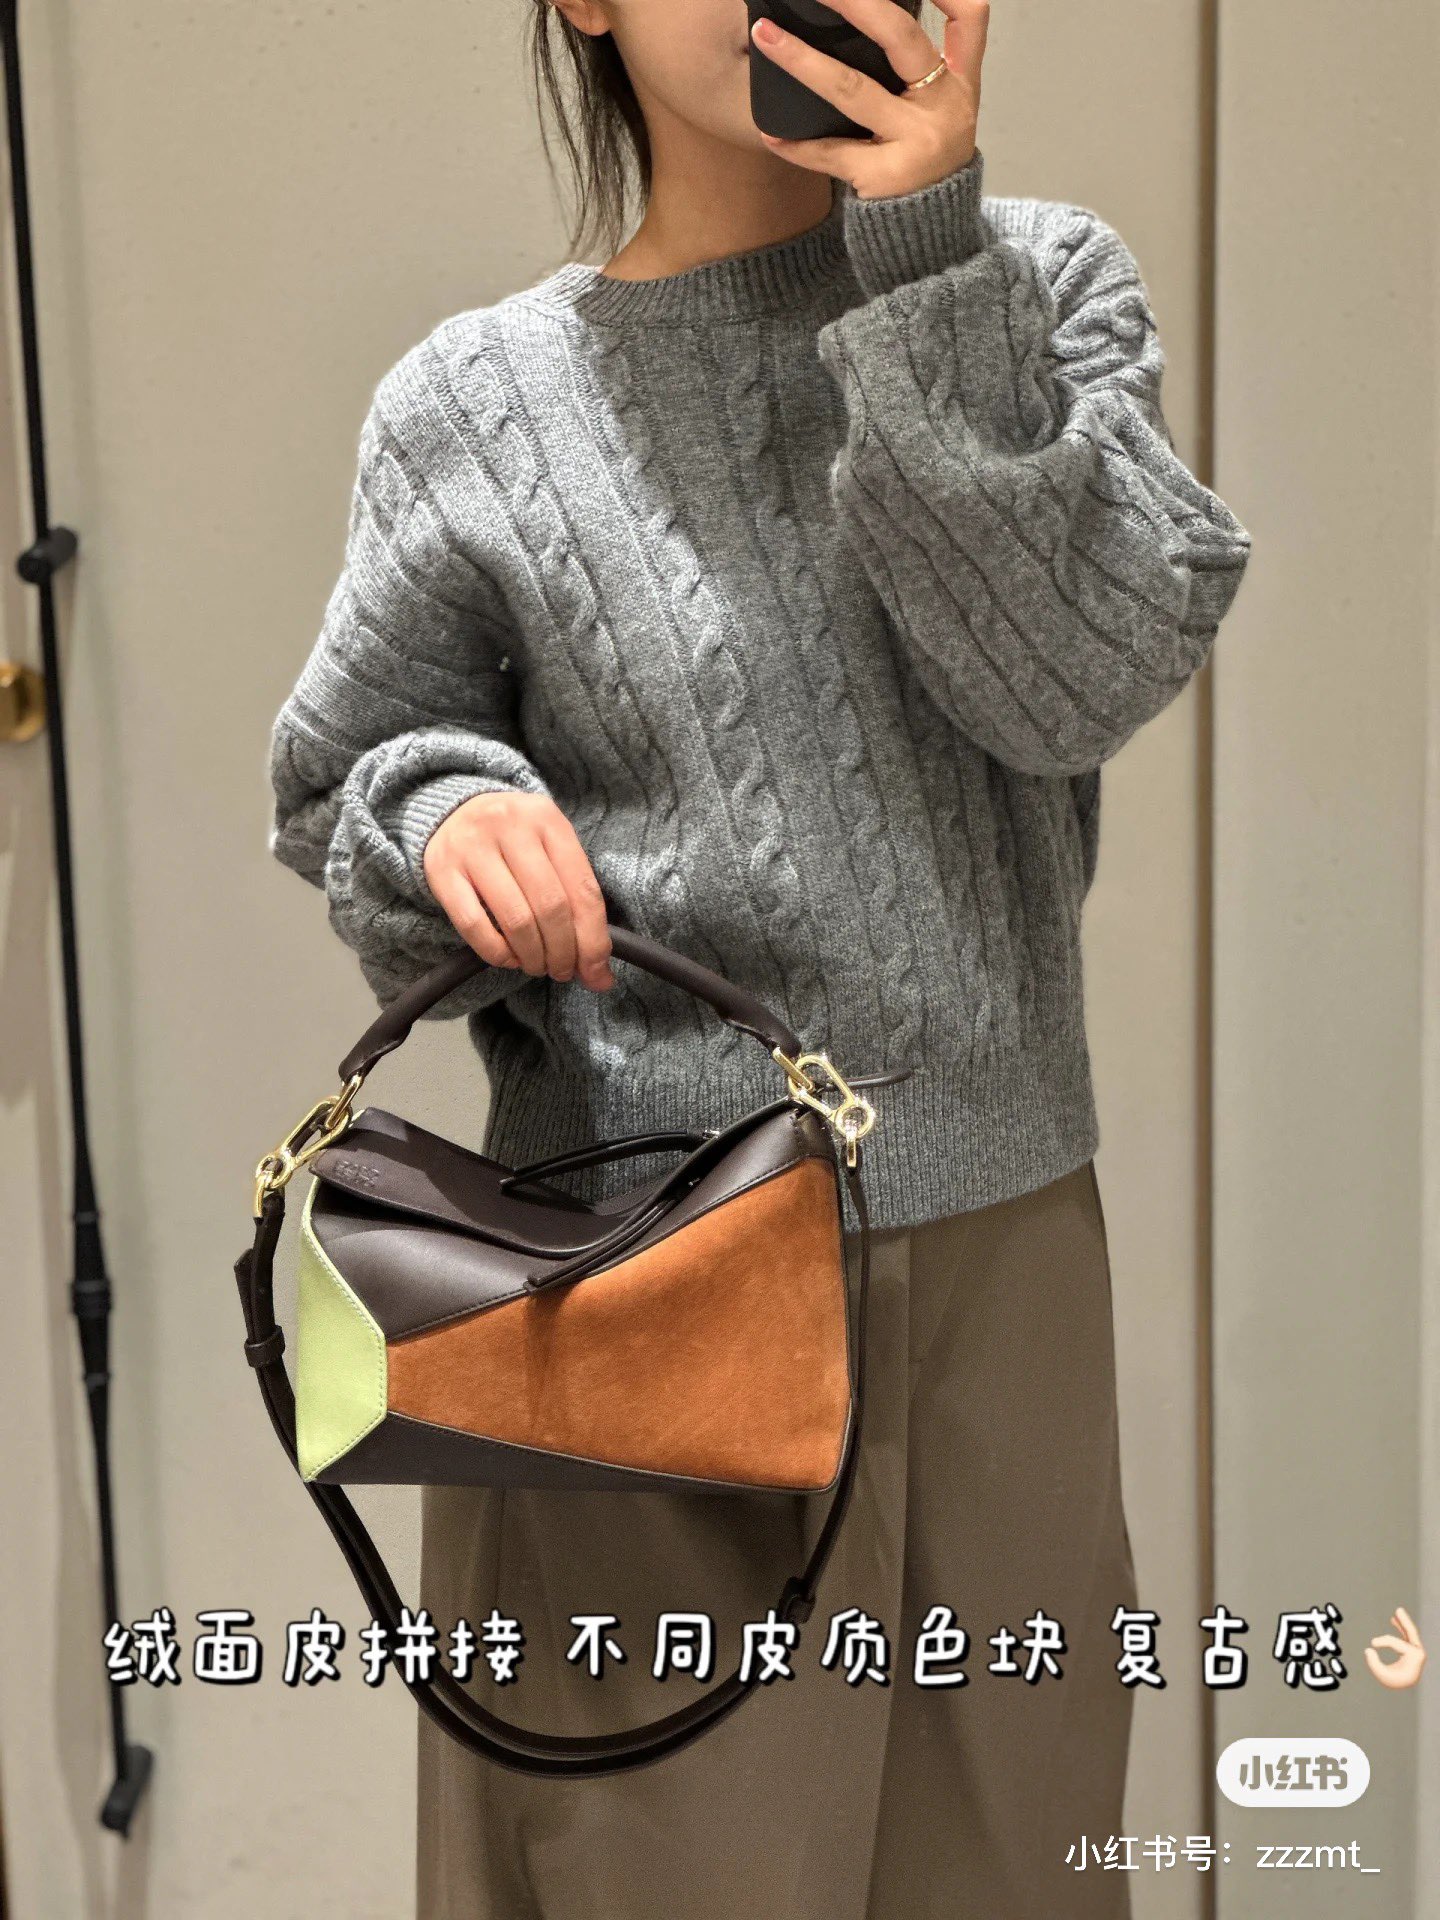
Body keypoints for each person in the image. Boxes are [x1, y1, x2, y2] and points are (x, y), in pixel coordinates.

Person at [265, 1, 1253, 1913]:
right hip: (639, 1282)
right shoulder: (475, 403)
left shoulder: (1034, 287)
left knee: (1019, 1866)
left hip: (1002, 1262)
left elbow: (1072, 686)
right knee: (661, 1870)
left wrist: (925, 257)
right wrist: (447, 814)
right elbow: (351, 776)